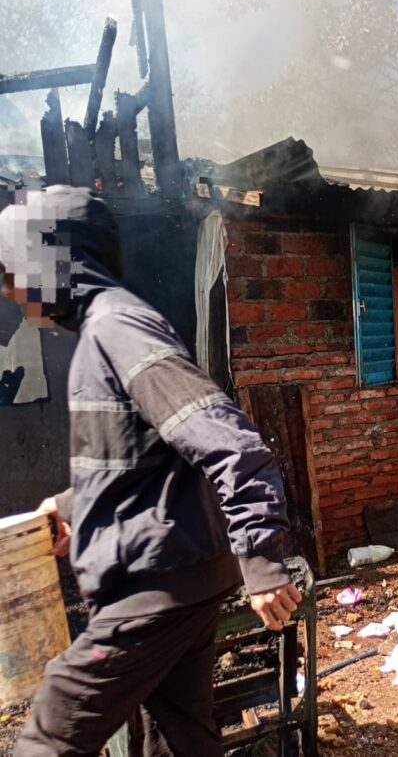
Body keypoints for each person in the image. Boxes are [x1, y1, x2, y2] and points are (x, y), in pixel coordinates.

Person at [0, 186, 302, 756]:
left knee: (53, 727)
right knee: (182, 741)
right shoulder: (100, 331)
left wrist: (262, 561)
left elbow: (228, 442)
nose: (11, 290)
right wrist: (69, 508)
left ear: (53, 262)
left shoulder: (118, 327)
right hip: (177, 576)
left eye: (15, 270)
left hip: (155, 584)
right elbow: (143, 456)